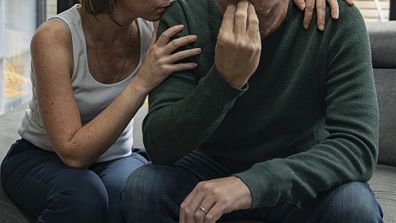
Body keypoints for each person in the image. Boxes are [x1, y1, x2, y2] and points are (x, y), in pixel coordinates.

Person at [121, 0, 383, 222]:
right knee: (145, 187)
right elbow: (160, 145)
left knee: (354, 205)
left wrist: (251, 184)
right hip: (211, 165)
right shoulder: (185, 15)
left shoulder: (334, 18)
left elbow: (357, 144)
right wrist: (225, 80)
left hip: (300, 170)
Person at [0, 0, 202, 222]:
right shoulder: (54, 37)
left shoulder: (155, 28)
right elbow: (73, 153)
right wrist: (143, 80)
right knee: (83, 196)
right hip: (41, 156)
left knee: (130, 194)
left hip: (116, 157)